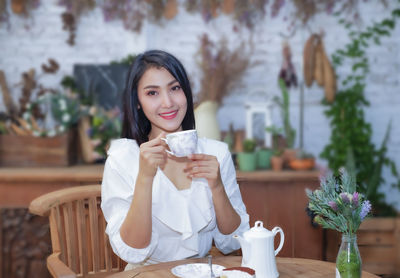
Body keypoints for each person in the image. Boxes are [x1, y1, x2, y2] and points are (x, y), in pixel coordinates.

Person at [101, 50, 249, 267]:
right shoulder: (122, 158)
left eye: (175, 88)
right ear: (138, 102)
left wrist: (217, 187)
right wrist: (145, 177)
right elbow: (133, 250)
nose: (168, 102)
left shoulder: (216, 153)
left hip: (202, 272)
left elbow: (232, 241)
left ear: (186, 93)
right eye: (152, 93)